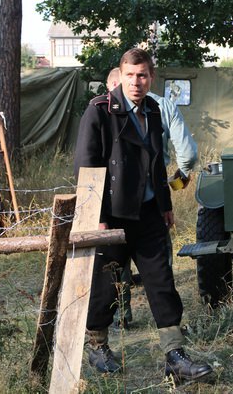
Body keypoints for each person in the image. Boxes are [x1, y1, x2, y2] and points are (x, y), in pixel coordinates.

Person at [74, 48, 212, 381]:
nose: (137, 82)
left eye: (143, 75)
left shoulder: (153, 108)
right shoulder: (99, 111)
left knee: (162, 282)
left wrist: (165, 204)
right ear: (120, 76)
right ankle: (97, 345)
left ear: (151, 77)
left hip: (149, 213)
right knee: (107, 285)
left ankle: (176, 358)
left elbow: (156, 163)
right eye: (131, 75)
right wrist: (98, 216)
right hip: (111, 214)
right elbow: (86, 166)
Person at [105, 68, 198, 328]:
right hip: (151, 195)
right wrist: (182, 174)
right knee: (158, 263)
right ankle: (166, 318)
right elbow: (188, 153)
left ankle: (121, 315)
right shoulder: (163, 105)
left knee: (116, 259)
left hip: (118, 199)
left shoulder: (106, 109)